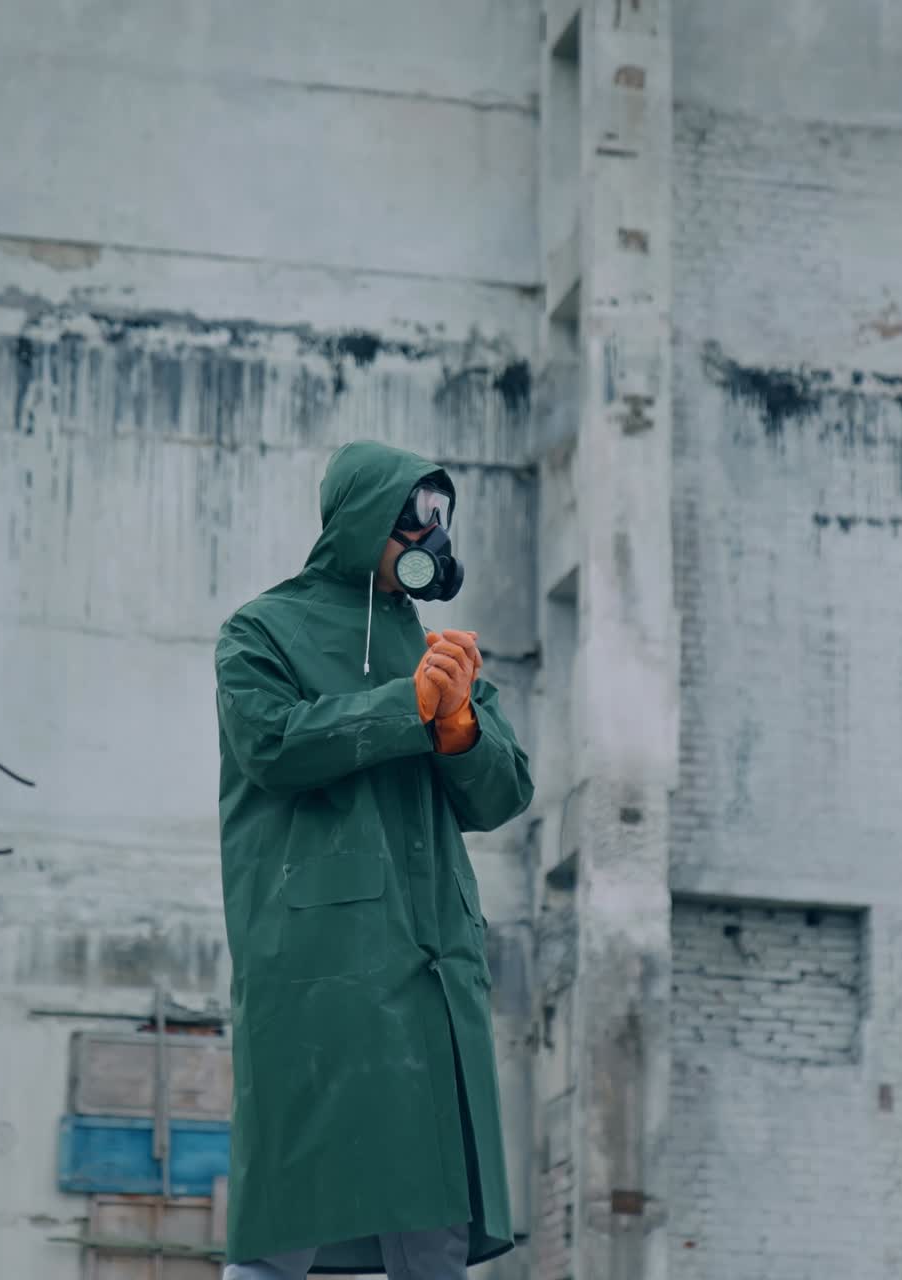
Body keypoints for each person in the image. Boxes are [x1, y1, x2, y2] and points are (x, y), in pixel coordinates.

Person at [214, 440, 534, 1278]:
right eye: (417, 517)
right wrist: (407, 708)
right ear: (364, 520)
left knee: (435, 1220)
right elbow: (271, 745)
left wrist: (460, 727)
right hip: (317, 967)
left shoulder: (439, 654)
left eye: (442, 518)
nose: (433, 537)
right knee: (289, 1206)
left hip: (434, 969)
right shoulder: (261, 631)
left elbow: (504, 794)